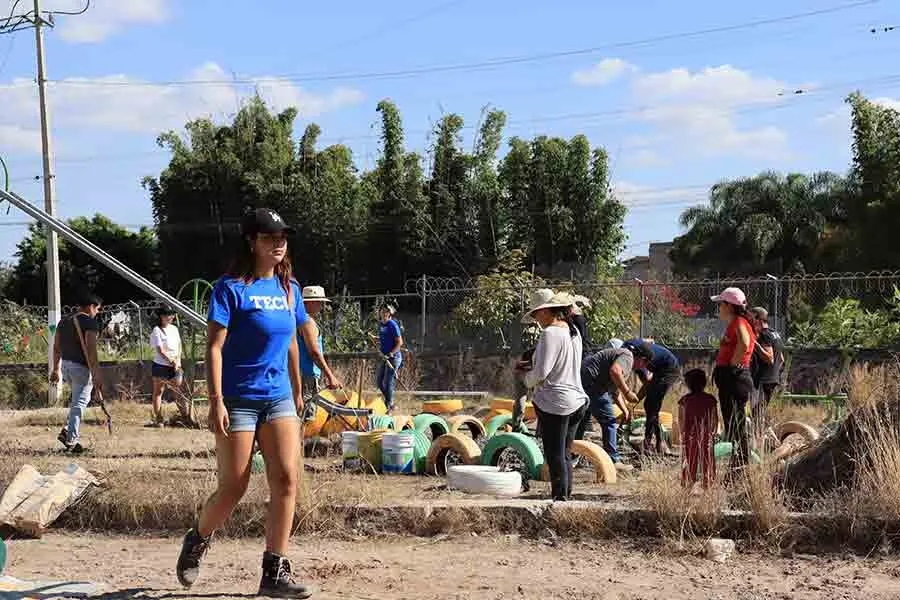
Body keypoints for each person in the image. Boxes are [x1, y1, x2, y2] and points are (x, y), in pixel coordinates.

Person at [176, 207, 313, 598]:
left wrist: (298, 389)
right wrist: (215, 400)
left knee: (287, 478)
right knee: (234, 486)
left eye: (283, 237)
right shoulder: (230, 288)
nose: (279, 244)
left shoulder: (290, 290)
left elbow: (290, 340)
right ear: (252, 241)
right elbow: (214, 348)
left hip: (279, 398)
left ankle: (275, 571)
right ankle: (198, 538)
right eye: (270, 238)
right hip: (238, 399)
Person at [515, 289, 587, 501]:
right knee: (565, 454)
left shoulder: (550, 333)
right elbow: (560, 364)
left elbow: (542, 373)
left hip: (555, 402)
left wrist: (523, 377)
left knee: (554, 455)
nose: (536, 319)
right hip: (576, 400)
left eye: (536, 314)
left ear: (546, 311)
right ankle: (566, 497)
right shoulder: (573, 332)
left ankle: (559, 500)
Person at [50, 291, 103, 454]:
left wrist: (56, 369)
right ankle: (72, 441)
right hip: (81, 368)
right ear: (91, 307)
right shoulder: (90, 323)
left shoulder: (63, 322)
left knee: (79, 401)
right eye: (98, 309)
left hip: (66, 366)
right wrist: (96, 374)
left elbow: (56, 348)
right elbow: (91, 351)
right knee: (79, 404)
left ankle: (67, 430)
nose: (98, 312)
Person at [710, 287, 756, 474]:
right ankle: (738, 461)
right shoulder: (737, 322)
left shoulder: (739, 321)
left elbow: (744, 343)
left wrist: (732, 366)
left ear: (729, 305)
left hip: (735, 379)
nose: (719, 307)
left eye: (721, 303)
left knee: (736, 422)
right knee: (733, 421)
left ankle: (741, 463)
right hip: (734, 378)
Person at [578, 345, 639, 471]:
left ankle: (571, 454)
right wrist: (628, 393)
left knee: (581, 420)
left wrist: (625, 410)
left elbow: (615, 391)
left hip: (582, 378)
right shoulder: (628, 356)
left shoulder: (615, 356)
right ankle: (613, 460)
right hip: (593, 382)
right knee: (609, 421)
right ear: (642, 359)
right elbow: (615, 371)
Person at [622, 338, 681, 455]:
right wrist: (634, 401)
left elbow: (647, 382)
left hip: (669, 370)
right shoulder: (629, 350)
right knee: (650, 406)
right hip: (659, 369)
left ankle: (650, 444)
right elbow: (646, 382)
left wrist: (634, 399)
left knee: (651, 405)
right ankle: (658, 442)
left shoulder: (636, 355)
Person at [298, 285, 342, 421]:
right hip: (307, 375)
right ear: (309, 302)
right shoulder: (307, 322)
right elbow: (314, 352)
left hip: (302, 373)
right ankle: (299, 442)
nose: (321, 305)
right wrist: (330, 376)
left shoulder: (297, 319)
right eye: (319, 302)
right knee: (305, 418)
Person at [678, 369, 718, 489]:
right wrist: (713, 432)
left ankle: (687, 485)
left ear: (688, 384)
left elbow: (681, 420)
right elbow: (715, 419)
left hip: (690, 435)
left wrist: (682, 434)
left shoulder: (684, 400)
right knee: (708, 462)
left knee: (689, 461)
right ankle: (708, 484)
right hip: (706, 435)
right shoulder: (711, 399)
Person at [749, 306, 784, 439]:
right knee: (759, 413)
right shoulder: (775, 333)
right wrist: (775, 374)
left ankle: (758, 444)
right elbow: (781, 359)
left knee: (756, 415)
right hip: (772, 379)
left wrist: (754, 344)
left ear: (757, 319)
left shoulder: (763, 334)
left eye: (751, 318)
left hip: (762, 381)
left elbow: (770, 358)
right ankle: (765, 441)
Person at [148, 305, 182, 427]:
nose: (171, 317)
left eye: (172, 314)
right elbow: (160, 350)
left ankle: (185, 416)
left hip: (175, 365)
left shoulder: (174, 329)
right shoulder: (157, 330)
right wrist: (170, 361)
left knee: (178, 391)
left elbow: (179, 346)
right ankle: (158, 419)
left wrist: (177, 360)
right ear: (161, 316)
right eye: (168, 314)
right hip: (161, 365)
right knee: (158, 391)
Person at [373, 304, 403, 414]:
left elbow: (399, 342)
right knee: (379, 382)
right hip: (384, 357)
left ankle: (389, 405)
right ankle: (390, 402)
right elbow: (384, 338)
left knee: (388, 381)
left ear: (390, 313)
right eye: (382, 310)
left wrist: (391, 354)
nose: (383, 313)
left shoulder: (392, 324)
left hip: (394, 357)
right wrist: (376, 338)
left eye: (386, 311)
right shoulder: (381, 324)